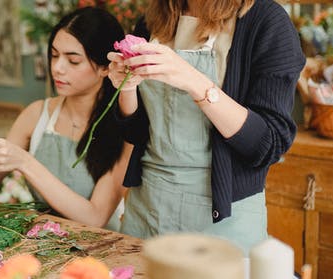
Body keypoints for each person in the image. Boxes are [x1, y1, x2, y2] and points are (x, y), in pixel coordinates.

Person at [107, 0, 305, 253]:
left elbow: (268, 144)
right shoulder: (153, 21)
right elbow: (134, 132)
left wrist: (194, 82)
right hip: (147, 208)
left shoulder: (265, 20)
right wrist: (127, 88)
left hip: (223, 220)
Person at [0, 7, 131, 231]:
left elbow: (95, 218)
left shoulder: (122, 127)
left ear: (106, 68)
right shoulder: (36, 114)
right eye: (54, 55)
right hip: (39, 242)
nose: (57, 68)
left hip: (98, 252)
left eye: (73, 61)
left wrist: (25, 162)